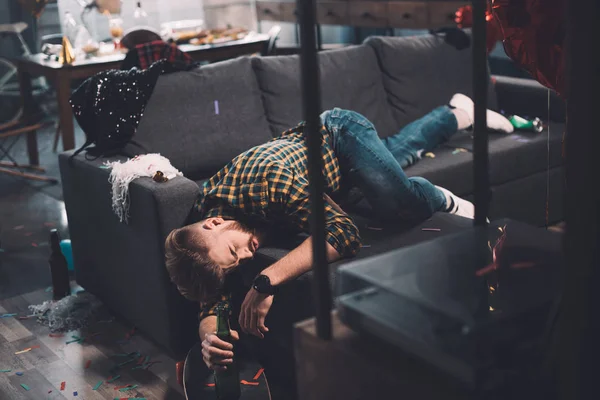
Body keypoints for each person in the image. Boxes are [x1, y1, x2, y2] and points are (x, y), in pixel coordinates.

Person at [164, 93, 513, 371]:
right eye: (236, 262)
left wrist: (268, 279)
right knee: (399, 151)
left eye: (234, 251)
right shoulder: (204, 229)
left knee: (396, 202)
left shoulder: (267, 181)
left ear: (215, 224)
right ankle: (458, 112)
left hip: (338, 133)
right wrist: (208, 336)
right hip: (328, 178)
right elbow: (212, 297)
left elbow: (344, 233)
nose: (247, 257)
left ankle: (440, 197)